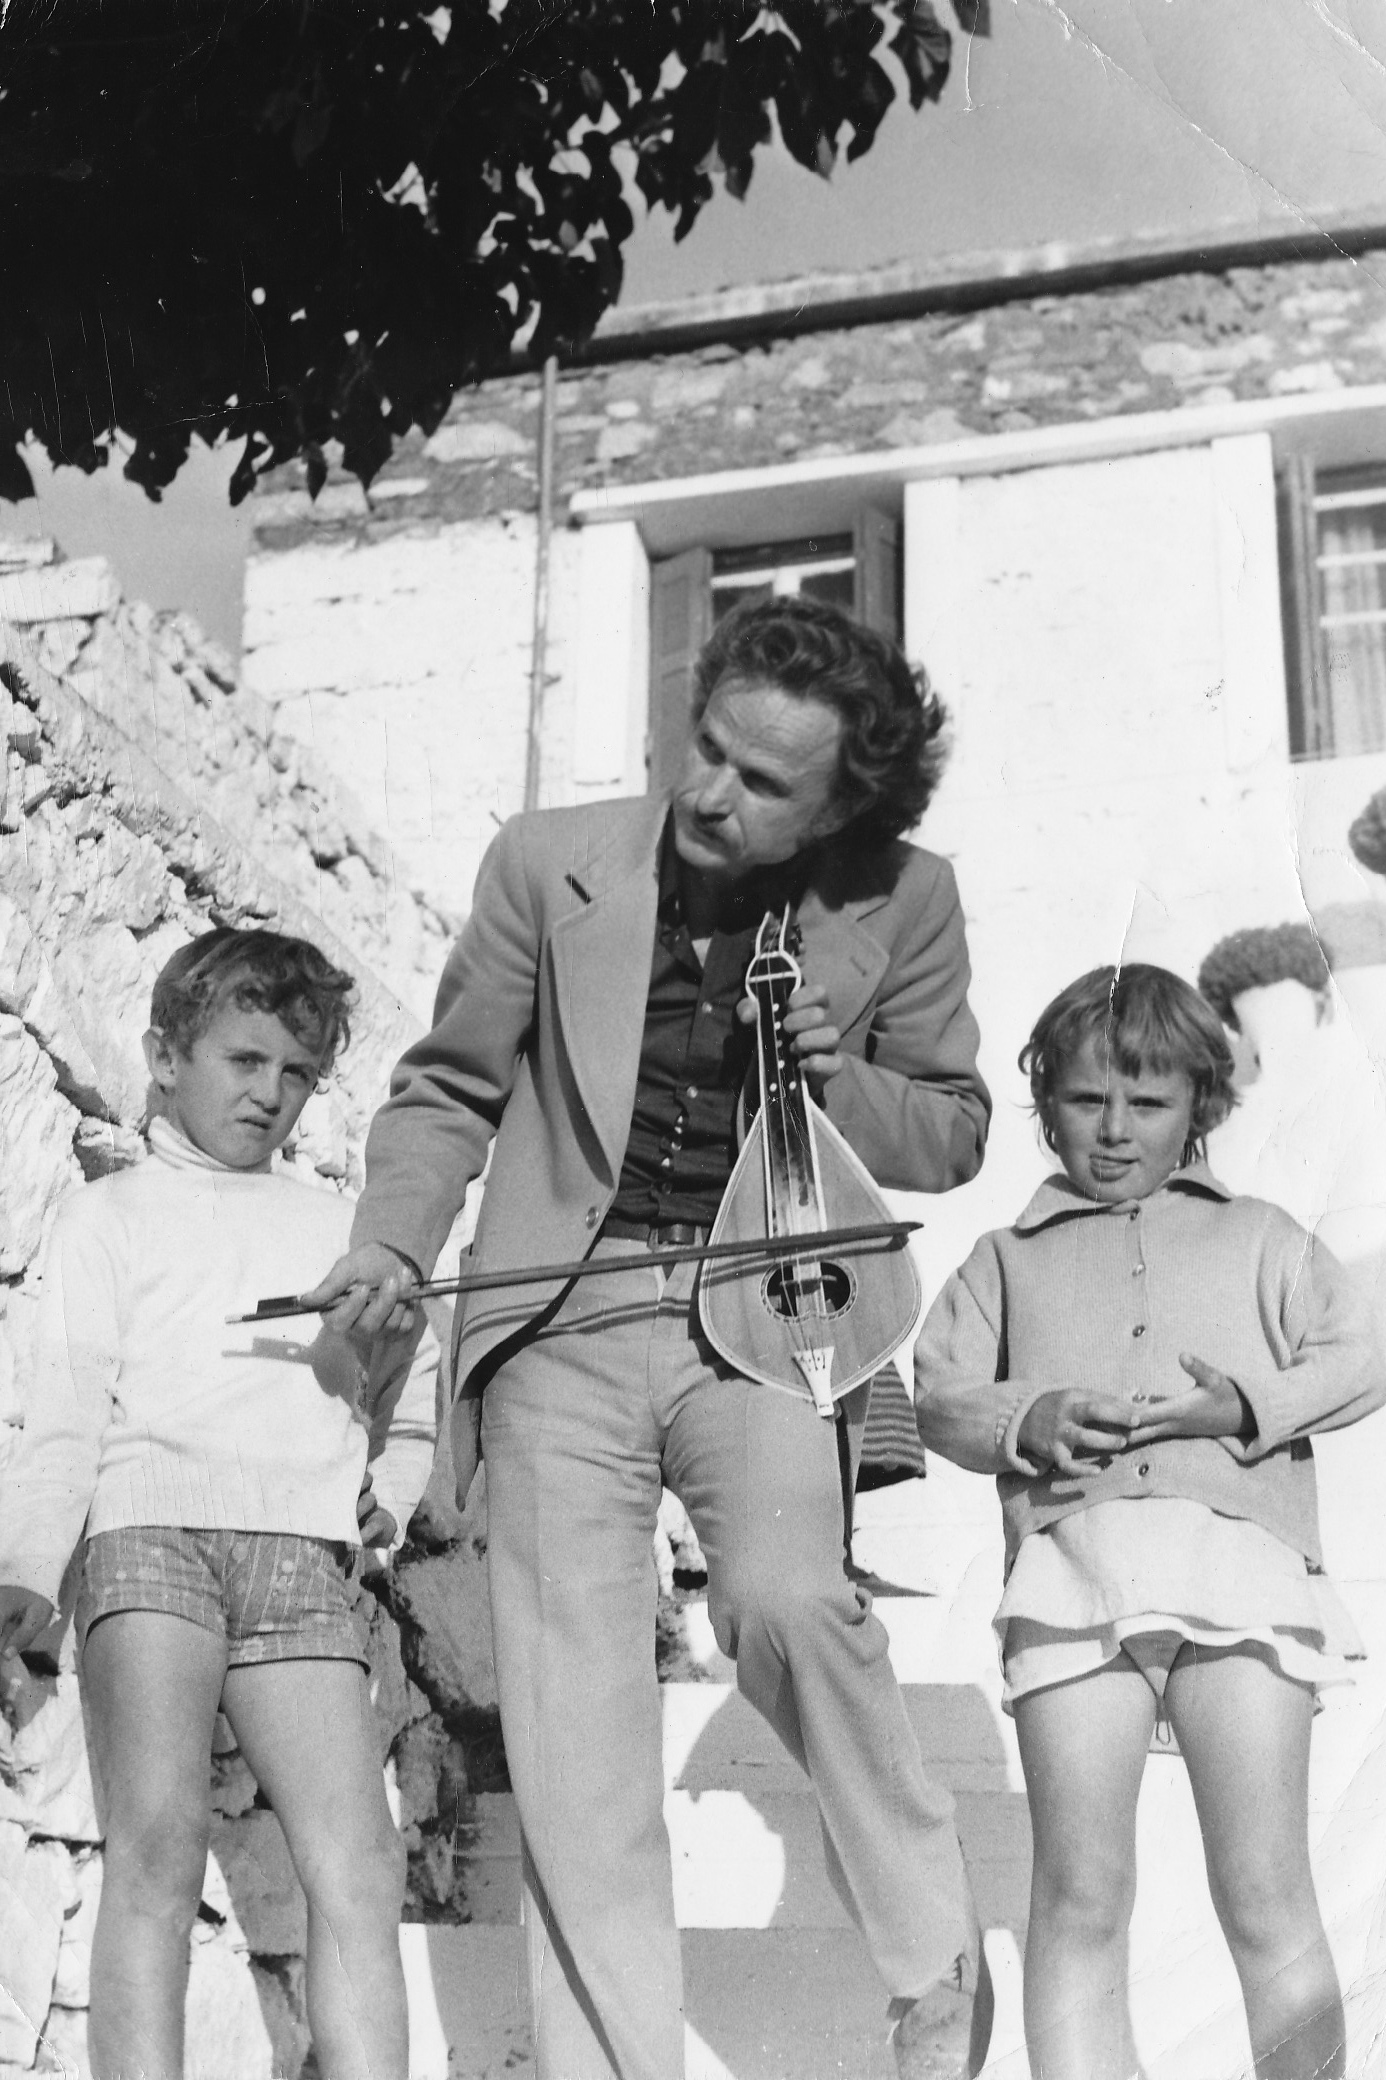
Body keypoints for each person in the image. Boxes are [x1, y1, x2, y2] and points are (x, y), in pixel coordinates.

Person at [307, 597, 996, 2080]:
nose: (711, 793)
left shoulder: (907, 898)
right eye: (708, 748)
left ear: (839, 811)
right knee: (575, 1734)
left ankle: (933, 1952)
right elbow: (449, 1087)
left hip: (767, 1310)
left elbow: (950, 1131)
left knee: (786, 1597)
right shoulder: (543, 860)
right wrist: (391, 1242)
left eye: (764, 783)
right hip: (562, 1312)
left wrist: (842, 1079)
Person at [914, 963, 1386, 2080]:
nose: (1116, 1130)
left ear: (1201, 1105)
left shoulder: (1263, 1237)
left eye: (1149, 1101)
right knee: (1081, 1894)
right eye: (1087, 1100)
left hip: (1239, 1577)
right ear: (1046, 1103)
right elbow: (936, 1394)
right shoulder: (1004, 1259)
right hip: (1072, 1581)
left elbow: (1356, 1362)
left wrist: (1243, 1405)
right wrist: (1027, 1415)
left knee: (1264, 1889)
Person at [0, 929, 440, 2080]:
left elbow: (413, 1395)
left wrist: (390, 1495)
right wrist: (28, 1572)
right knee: (156, 1845)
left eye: (297, 1072)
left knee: (362, 1862)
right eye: (245, 1060)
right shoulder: (111, 1215)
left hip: (304, 1559)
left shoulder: (344, 1232)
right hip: (150, 1544)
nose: (270, 1093)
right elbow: (65, 1417)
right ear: (164, 1056)